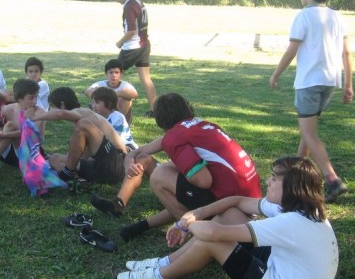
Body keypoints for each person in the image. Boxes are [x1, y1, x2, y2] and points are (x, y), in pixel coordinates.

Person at [117, 156, 339, 279]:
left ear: (291, 188)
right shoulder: (301, 207)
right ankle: (165, 262)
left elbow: (213, 234)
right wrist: (197, 214)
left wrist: (186, 224)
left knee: (212, 241)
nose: (268, 182)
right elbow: (237, 201)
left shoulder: (290, 223)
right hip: (290, 275)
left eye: (273, 179)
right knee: (229, 215)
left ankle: (161, 278)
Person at [91, 93, 261, 242]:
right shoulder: (198, 125)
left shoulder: (174, 136)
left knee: (160, 176)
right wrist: (129, 161)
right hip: (249, 203)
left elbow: (204, 180)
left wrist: (178, 168)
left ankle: (190, 230)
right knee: (157, 165)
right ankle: (136, 221)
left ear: (160, 120)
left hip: (232, 208)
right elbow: (139, 152)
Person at [270, 0, 354, 203]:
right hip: (330, 82)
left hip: (309, 82)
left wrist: (276, 74)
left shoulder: (304, 16)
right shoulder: (336, 17)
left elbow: (291, 50)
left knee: (309, 133)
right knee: (308, 130)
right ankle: (297, 172)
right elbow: (346, 53)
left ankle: (333, 180)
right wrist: (348, 84)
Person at [29, 87, 129, 186]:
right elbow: (85, 153)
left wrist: (35, 117)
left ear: (62, 105)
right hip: (101, 169)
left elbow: (60, 113)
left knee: (83, 123)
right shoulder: (80, 123)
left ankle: (68, 173)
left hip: (117, 164)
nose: (50, 110)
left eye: (52, 107)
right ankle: (80, 180)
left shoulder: (83, 113)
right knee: (54, 159)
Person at [111, 0, 157, 115]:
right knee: (146, 78)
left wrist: (120, 42)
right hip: (144, 45)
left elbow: (131, 31)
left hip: (132, 47)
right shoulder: (138, 2)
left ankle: (109, 107)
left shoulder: (129, 6)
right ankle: (155, 109)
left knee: (113, 75)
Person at [0, 78, 46, 167]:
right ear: (20, 98)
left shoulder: (39, 113)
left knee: (11, 130)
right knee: (4, 127)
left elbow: (27, 132)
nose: (35, 101)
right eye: (31, 98)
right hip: (10, 153)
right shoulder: (8, 109)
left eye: (36, 96)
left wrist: (4, 134)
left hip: (31, 154)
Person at [84, 59, 138, 123]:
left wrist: (114, 94)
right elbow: (87, 92)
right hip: (102, 115)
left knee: (125, 99)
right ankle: (100, 122)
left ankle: (119, 122)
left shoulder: (125, 85)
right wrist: (104, 96)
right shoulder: (100, 84)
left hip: (121, 112)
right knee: (98, 100)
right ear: (106, 74)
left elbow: (134, 94)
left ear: (121, 74)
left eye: (116, 72)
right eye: (111, 72)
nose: (114, 75)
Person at [89, 87, 137, 151]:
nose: (93, 106)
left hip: (125, 146)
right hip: (108, 146)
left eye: (97, 102)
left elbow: (115, 140)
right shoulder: (96, 117)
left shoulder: (118, 117)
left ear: (109, 104)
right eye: (92, 102)